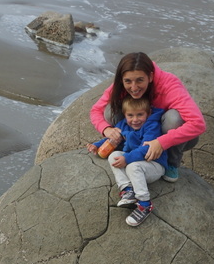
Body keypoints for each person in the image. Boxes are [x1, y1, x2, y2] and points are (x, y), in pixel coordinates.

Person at [89, 51, 205, 183]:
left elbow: (198, 123)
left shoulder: (169, 84)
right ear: (122, 79)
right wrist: (106, 129)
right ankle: (124, 144)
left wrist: (161, 142)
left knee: (174, 118)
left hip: (162, 130)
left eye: (140, 80)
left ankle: (171, 163)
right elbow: (96, 110)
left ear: (150, 76)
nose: (133, 87)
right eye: (128, 81)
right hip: (137, 127)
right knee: (110, 111)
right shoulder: (121, 84)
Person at [87, 96, 167, 226]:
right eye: (130, 115)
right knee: (114, 156)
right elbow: (113, 137)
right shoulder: (123, 124)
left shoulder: (152, 126)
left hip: (154, 164)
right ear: (125, 115)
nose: (135, 120)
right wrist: (97, 145)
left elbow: (146, 149)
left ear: (148, 113)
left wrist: (127, 158)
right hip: (136, 162)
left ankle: (145, 204)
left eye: (140, 114)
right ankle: (128, 190)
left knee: (132, 167)